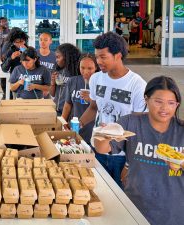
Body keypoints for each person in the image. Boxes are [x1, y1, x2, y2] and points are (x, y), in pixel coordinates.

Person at [94, 76, 184, 225]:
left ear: (177, 105)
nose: (164, 108)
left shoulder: (181, 130)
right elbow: (102, 148)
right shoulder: (131, 122)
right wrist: (104, 135)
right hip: (136, 209)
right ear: (146, 100)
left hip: (174, 213)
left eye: (171, 103)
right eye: (158, 101)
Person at [79, 31, 147, 188]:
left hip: (121, 157)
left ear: (118, 55)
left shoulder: (137, 85)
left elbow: (139, 127)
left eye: (103, 57)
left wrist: (129, 164)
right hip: (96, 148)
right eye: (97, 57)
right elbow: (94, 107)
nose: (98, 61)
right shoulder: (96, 78)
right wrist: (79, 123)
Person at [62, 54, 100, 144]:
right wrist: (63, 123)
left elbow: (105, 108)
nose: (85, 71)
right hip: (76, 127)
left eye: (90, 68)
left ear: (96, 68)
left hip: (94, 131)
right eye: (82, 68)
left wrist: (91, 99)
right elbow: (67, 105)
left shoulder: (101, 83)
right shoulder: (72, 81)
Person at [50, 43, 81, 116]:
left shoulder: (77, 72)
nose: (56, 60)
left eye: (58, 57)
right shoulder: (58, 70)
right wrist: (52, 82)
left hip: (71, 113)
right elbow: (52, 94)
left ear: (67, 57)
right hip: (57, 110)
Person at [1, 28, 29, 99]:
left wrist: (27, 54)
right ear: (13, 42)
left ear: (25, 40)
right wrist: (11, 58)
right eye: (17, 42)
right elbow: (4, 69)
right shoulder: (11, 50)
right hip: (16, 82)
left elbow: (36, 65)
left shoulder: (29, 50)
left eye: (22, 41)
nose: (20, 44)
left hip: (28, 80)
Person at [37, 32, 56, 98]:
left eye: (45, 40)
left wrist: (48, 89)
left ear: (50, 41)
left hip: (49, 89)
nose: (42, 42)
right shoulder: (34, 55)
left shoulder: (55, 56)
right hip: (34, 88)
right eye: (41, 39)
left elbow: (56, 74)